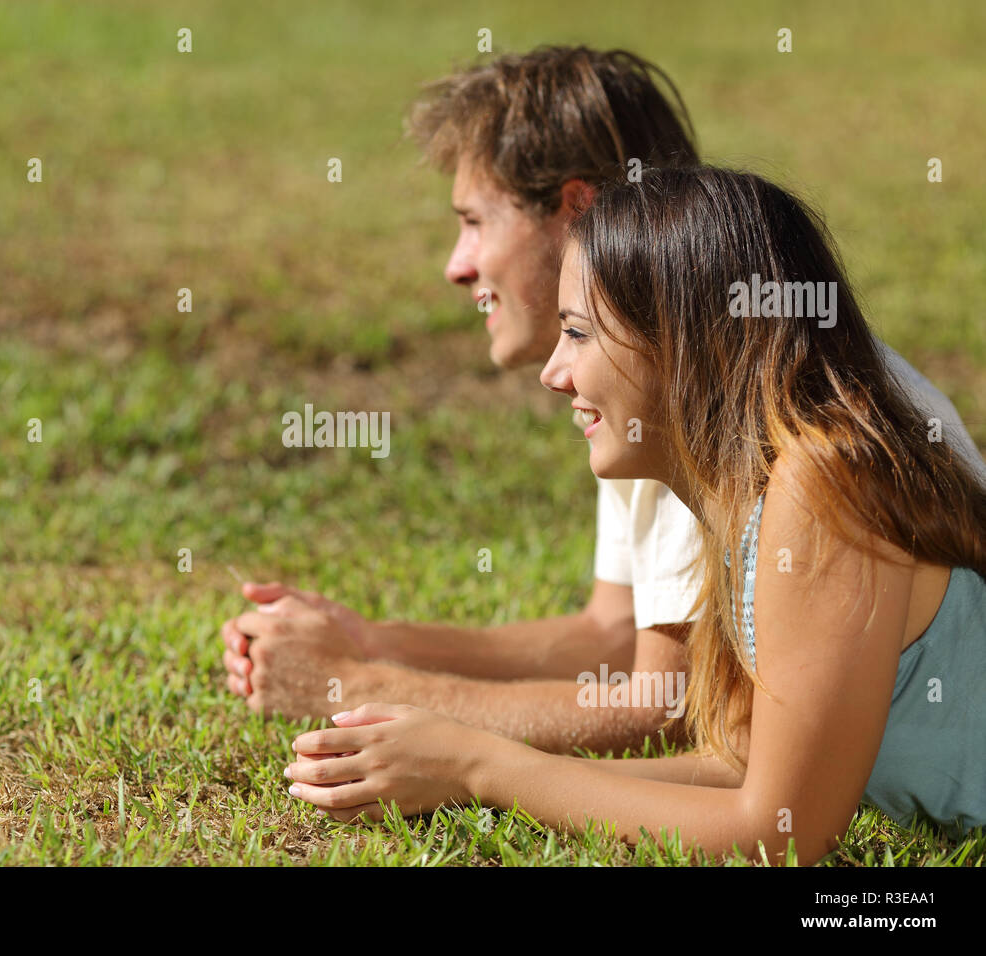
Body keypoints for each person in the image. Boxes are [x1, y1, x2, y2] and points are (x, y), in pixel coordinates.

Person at [220, 46, 983, 760]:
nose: (457, 267)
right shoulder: (660, 378)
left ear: (578, 211)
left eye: (473, 222)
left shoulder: (729, 406)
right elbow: (614, 631)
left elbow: (668, 703)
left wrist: (356, 688)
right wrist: (373, 643)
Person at [281, 166, 986, 864]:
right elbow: (734, 766)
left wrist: (482, 766)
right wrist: (465, 775)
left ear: (685, 339)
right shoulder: (746, 499)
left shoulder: (822, 486)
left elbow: (779, 832)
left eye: (580, 334)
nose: (553, 374)